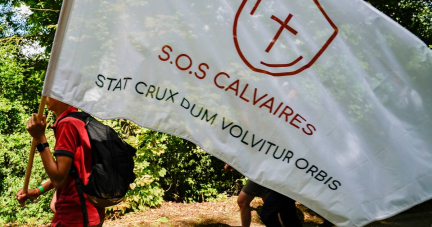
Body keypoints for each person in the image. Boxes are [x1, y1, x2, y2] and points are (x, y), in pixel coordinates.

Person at [16, 97, 104, 226]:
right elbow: (71, 171)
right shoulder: (81, 119)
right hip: (92, 212)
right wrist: (37, 191)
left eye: (51, 92)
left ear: (64, 96)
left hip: (74, 215)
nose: (45, 97)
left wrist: (40, 138)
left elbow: (59, 180)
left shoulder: (66, 124)